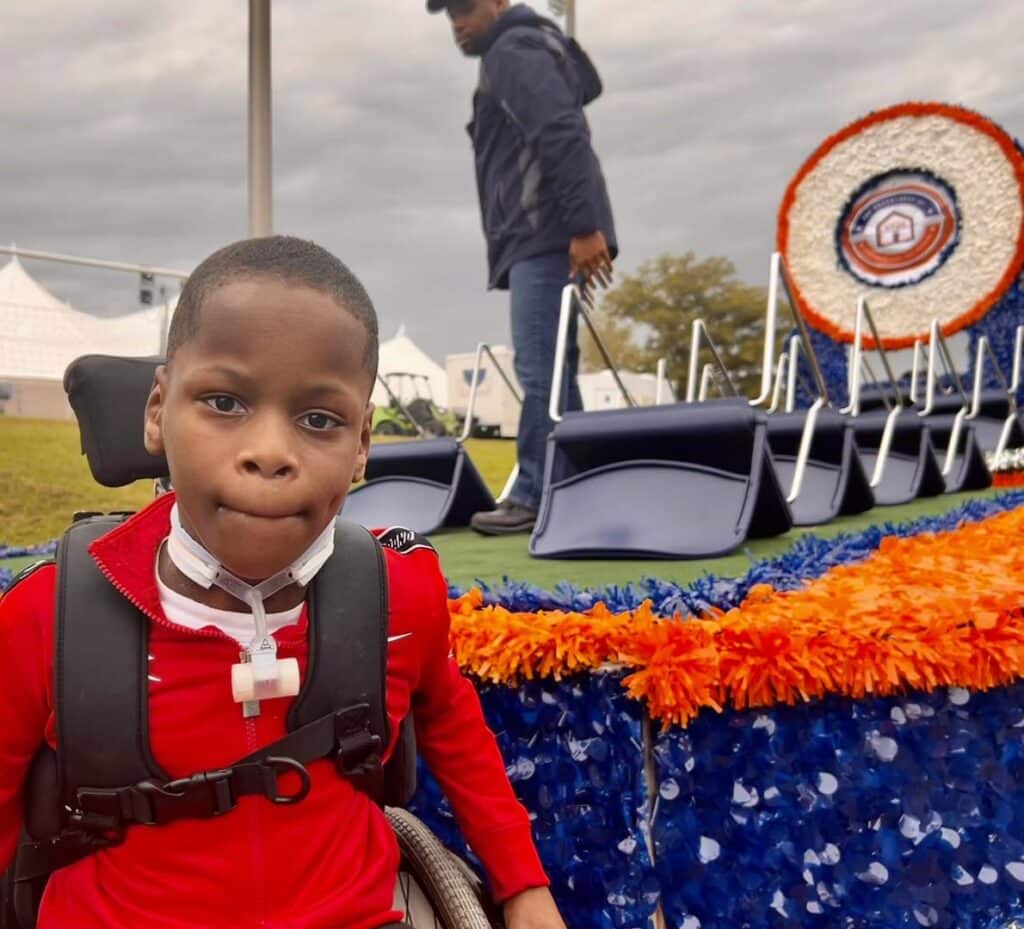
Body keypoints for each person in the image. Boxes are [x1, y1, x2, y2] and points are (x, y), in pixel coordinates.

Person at [0, 236, 567, 929]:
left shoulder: (397, 594)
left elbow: (453, 727)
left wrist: (523, 885)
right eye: (224, 401)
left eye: (319, 420)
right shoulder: (49, 618)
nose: (270, 453)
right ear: (157, 410)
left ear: (361, 446)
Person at [428, 0, 618, 535]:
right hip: (551, 233)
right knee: (556, 368)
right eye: (449, 14)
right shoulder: (532, 45)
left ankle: (535, 492)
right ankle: (577, 489)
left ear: (498, 2)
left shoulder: (514, 49)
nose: (458, 23)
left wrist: (583, 227)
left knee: (539, 367)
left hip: (547, 234)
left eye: (466, 8)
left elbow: (560, 131)